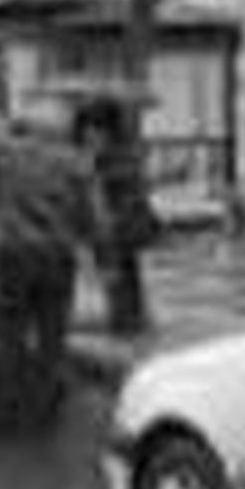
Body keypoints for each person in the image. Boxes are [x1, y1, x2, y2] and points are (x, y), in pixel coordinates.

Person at [0, 108, 97, 431]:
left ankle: (8, 411)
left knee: (10, 336)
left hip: (14, 257)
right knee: (52, 336)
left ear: (29, 129)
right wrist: (102, 257)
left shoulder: (7, 151)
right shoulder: (76, 162)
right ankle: (46, 409)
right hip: (59, 256)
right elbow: (93, 216)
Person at [73, 95, 157, 338]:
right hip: (117, 227)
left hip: (116, 227)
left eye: (95, 130)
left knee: (118, 276)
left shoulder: (114, 158)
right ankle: (131, 321)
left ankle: (125, 325)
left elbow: (110, 192)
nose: (91, 136)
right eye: (88, 130)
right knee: (124, 275)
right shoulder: (120, 153)